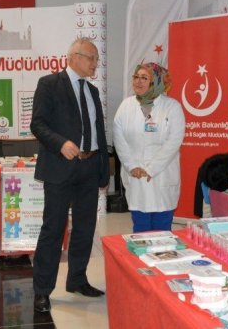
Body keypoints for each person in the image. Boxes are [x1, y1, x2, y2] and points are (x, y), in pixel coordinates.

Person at [30, 37, 109, 313]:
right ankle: (42, 291)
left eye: (97, 59)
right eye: (91, 58)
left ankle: (77, 279)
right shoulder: (49, 84)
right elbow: (38, 124)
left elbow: (98, 131)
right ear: (74, 57)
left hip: (89, 167)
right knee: (53, 230)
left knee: (85, 228)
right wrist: (60, 143)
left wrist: (103, 169)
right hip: (60, 167)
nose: (95, 63)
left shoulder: (93, 91)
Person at [113, 62, 185, 232]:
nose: (138, 81)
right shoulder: (126, 106)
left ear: (157, 82)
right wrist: (132, 166)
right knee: (140, 228)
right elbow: (119, 138)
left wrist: (151, 168)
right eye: (136, 77)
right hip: (135, 176)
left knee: (162, 229)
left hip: (162, 176)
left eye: (144, 78)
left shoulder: (172, 107)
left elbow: (174, 141)